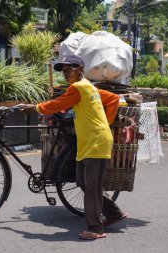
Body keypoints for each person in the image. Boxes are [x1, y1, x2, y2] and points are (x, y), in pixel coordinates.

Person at [21, 54, 127, 240]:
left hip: (96, 142)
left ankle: (95, 229)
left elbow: (57, 104)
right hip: (88, 142)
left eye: (69, 69)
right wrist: (104, 123)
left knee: (92, 188)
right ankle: (114, 213)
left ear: (80, 69)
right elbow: (112, 99)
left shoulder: (79, 88)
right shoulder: (89, 87)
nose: (65, 73)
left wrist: (35, 108)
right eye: (63, 70)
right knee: (83, 183)